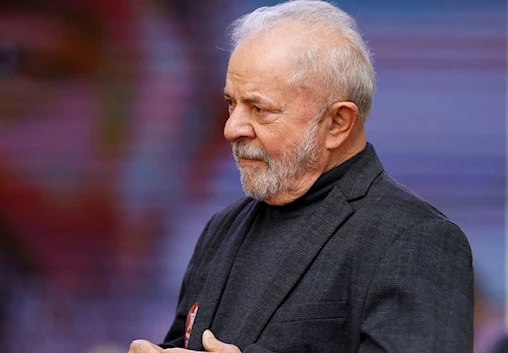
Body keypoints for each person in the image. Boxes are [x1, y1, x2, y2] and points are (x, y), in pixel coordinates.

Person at [129, 0, 474, 352]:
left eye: (259, 109)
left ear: (338, 123)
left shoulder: (415, 239)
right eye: (232, 104)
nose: (232, 128)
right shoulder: (222, 228)